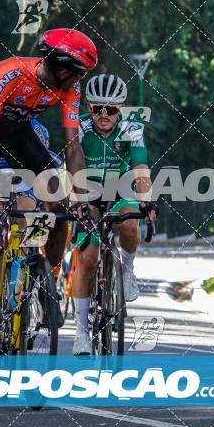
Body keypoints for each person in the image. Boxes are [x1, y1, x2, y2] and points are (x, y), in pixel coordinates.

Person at [0, 27, 97, 354]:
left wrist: (80, 194)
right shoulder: (8, 73)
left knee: (63, 208)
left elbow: (72, 144)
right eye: (77, 74)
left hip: (21, 135)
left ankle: (44, 284)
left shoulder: (69, 86)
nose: (78, 82)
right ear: (63, 68)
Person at [71, 74, 158, 355]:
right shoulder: (80, 128)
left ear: (120, 109)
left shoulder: (132, 129)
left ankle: (128, 270)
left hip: (120, 189)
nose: (104, 115)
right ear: (89, 107)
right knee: (87, 257)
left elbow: (140, 169)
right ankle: (81, 332)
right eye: (98, 108)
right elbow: (72, 171)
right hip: (89, 190)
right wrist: (79, 203)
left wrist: (147, 201)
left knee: (131, 222)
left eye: (111, 109)